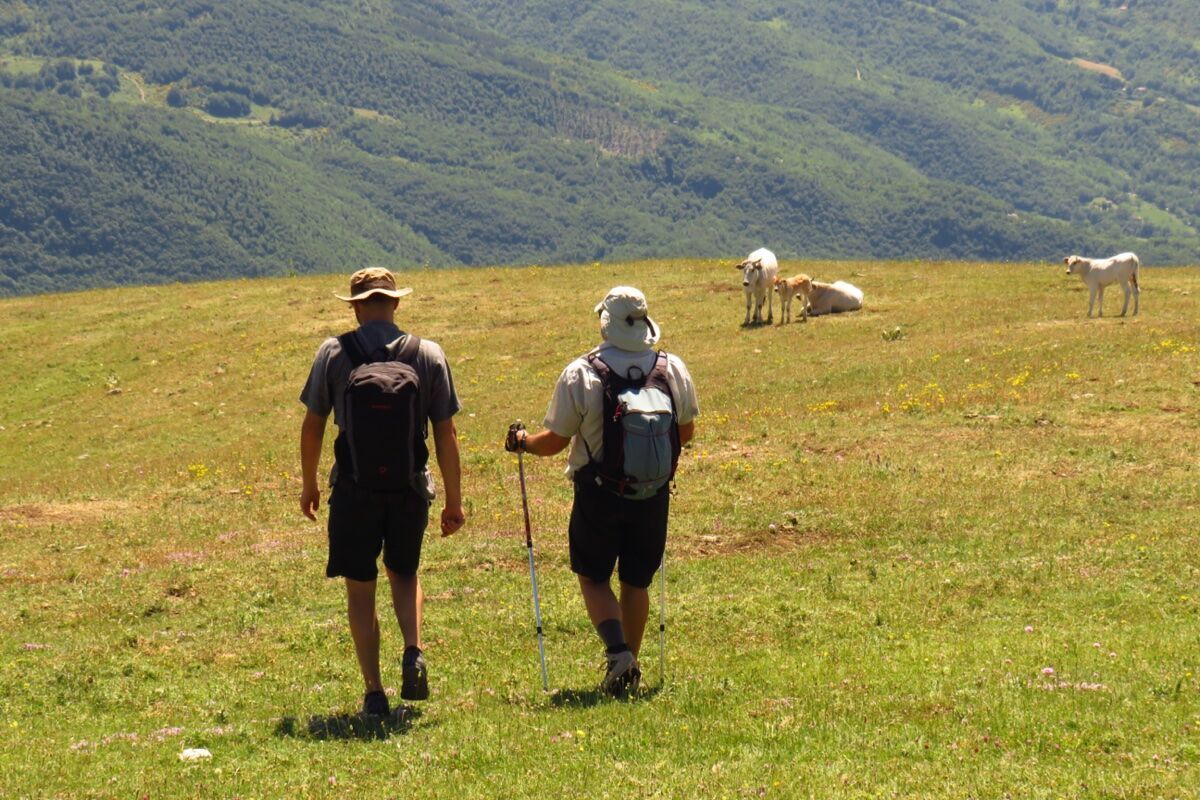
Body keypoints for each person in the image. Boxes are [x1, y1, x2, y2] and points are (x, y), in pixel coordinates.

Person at [505, 286, 698, 696]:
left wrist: (523, 440)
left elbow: (555, 441)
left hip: (598, 492)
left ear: (605, 323)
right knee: (637, 581)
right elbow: (687, 432)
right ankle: (629, 664)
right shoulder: (671, 368)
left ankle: (618, 654)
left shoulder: (583, 372)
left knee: (593, 577)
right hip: (653, 493)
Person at [299, 267, 465, 716]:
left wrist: (309, 482)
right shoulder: (428, 354)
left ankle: (374, 693)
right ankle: (413, 649)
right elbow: (445, 433)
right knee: (404, 573)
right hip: (409, 488)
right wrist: (453, 500)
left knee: (360, 588)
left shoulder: (334, 353)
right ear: (396, 303)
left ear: (354, 307)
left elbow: (313, 425)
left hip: (354, 490)